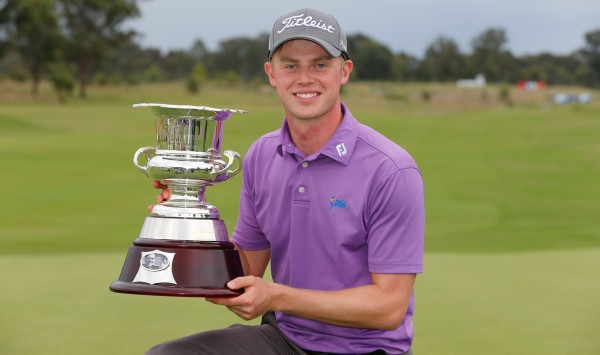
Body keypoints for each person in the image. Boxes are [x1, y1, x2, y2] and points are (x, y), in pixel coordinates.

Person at [147, 8, 424, 355]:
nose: (305, 78)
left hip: (365, 350)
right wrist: (184, 218)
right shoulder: (262, 155)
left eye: (320, 65)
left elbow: (388, 307)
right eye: (290, 65)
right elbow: (242, 270)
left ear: (344, 71)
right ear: (272, 74)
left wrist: (277, 296)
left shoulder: (391, 170)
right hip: (285, 340)